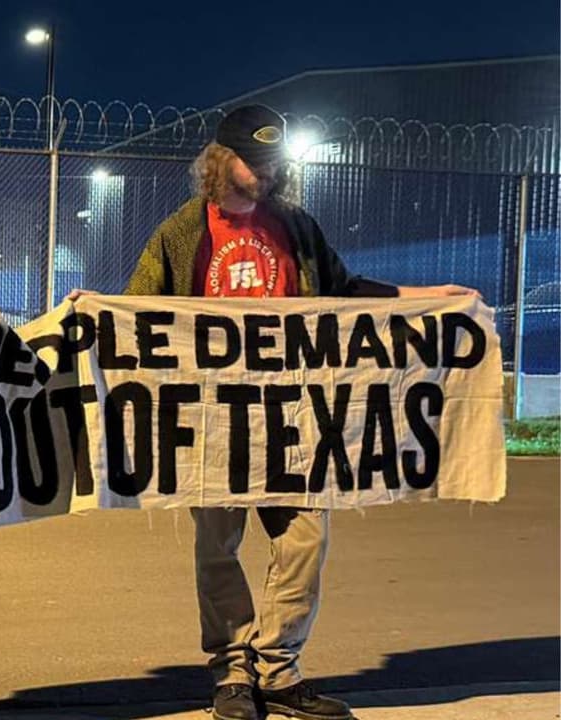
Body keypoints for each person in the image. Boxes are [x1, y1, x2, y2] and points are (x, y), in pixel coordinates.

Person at [123, 104, 474, 720]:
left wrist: (428, 298)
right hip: (215, 420)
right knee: (217, 549)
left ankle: (280, 672)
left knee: (306, 540)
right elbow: (136, 310)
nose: (263, 172)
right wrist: (90, 308)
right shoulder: (183, 232)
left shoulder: (295, 225)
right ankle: (232, 675)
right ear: (219, 159)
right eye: (252, 160)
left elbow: (345, 291)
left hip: (297, 419)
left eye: (271, 161)